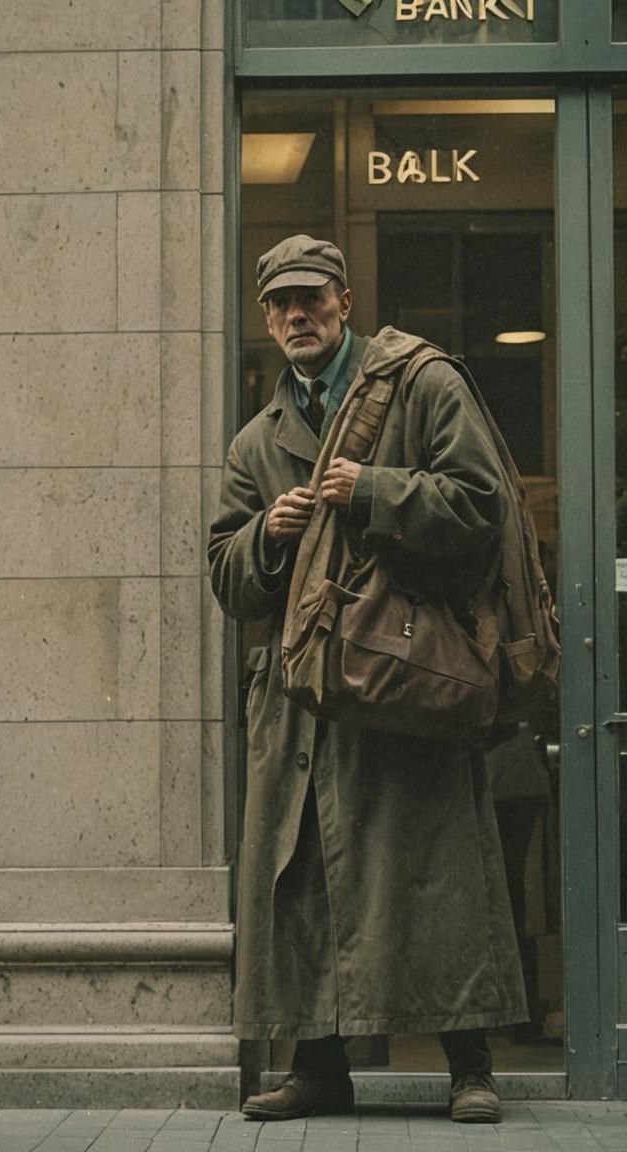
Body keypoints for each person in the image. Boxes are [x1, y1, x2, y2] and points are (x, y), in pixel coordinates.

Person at [208, 235, 528, 1124]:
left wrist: (374, 490)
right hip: (303, 702)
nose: (295, 316)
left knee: (437, 872)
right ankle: (319, 1069)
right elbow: (224, 576)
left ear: (345, 302)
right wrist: (266, 536)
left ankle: (471, 1068)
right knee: (303, 878)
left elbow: (481, 505)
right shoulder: (256, 440)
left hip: (407, 682)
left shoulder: (421, 385)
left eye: (310, 298)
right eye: (279, 304)